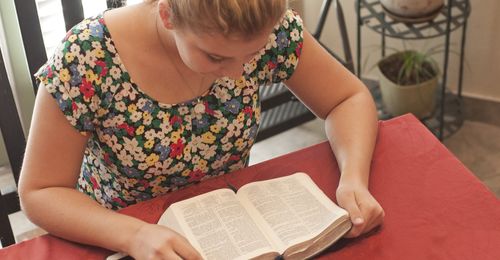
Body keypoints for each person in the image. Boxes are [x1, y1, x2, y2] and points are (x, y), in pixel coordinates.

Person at [18, 0, 384, 259]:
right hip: (119, 234)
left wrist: (353, 177)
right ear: (168, 15)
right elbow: (40, 191)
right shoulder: (88, 57)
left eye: (252, 54)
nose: (241, 73)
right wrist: (134, 235)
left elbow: (348, 98)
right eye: (217, 57)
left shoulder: (270, 31)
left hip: (232, 230)